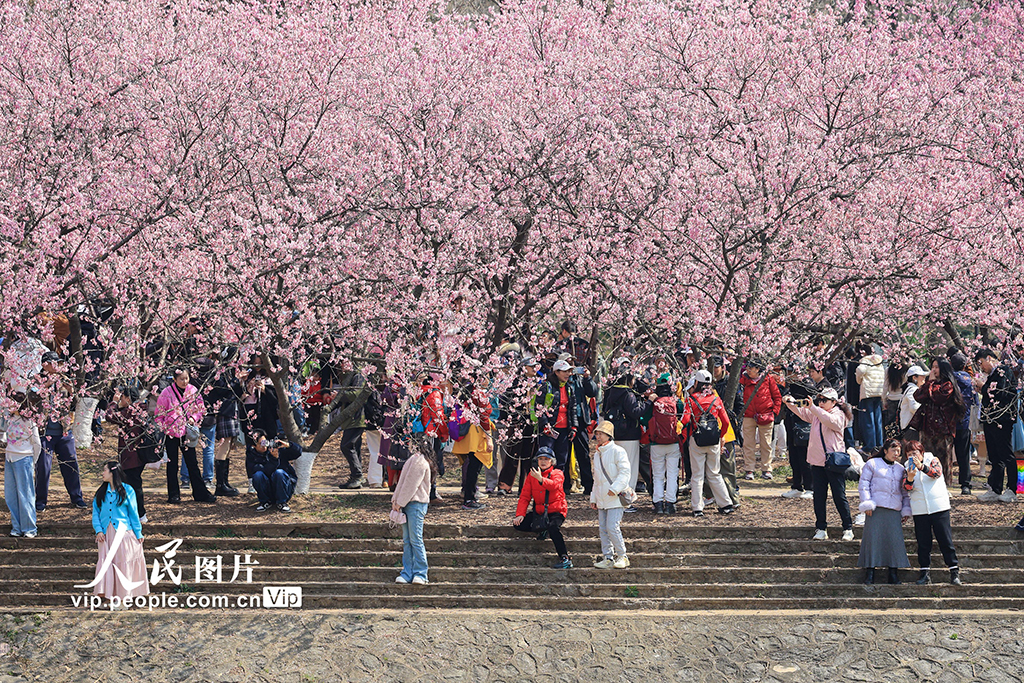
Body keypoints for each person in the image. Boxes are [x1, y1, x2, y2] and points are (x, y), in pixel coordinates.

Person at [782, 388, 854, 541]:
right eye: (819, 400)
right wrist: (790, 403)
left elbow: (831, 422)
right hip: (817, 462)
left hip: (833, 461)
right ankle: (821, 528)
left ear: (834, 402)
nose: (820, 403)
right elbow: (802, 412)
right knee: (819, 497)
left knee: (839, 496)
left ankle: (847, 527)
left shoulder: (838, 415)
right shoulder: (816, 413)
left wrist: (813, 408)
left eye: (824, 400)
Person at [902, 440, 961, 585]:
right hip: (920, 509)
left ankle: (954, 572)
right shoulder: (906, 467)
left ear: (921, 452)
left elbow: (936, 473)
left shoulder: (933, 460)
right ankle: (924, 573)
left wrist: (922, 467)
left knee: (945, 540)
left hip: (938, 507)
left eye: (915, 453)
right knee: (923, 543)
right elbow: (906, 488)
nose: (912, 456)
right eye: (909, 454)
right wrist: (909, 478)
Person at [35, 351, 88, 511]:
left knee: (71, 465)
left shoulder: (64, 380)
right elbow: (32, 397)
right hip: (45, 432)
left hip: (64, 431)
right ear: (45, 364)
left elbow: (77, 402)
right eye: (54, 362)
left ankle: (77, 498)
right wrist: (46, 385)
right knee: (43, 468)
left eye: (58, 363)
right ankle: (40, 501)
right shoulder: (37, 379)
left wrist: (71, 391)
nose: (57, 365)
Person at [91, 461, 149, 604]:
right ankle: (107, 595)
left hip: (123, 532)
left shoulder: (127, 490)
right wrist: (98, 530)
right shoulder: (100, 492)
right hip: (105, 534)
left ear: (112, 472)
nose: (102, 473)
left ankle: (123, 597)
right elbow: (95, 514)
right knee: (106, 563)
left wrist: (138, 532)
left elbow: (133, 514)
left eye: (104, 470)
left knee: (123, 563)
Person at [156, 367, 216, 503]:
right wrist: (163, 427)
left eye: (186, 378)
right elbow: (159, 413)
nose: (184, 381)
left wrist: (194, 418)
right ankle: (173, 495)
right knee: (172, 465)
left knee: (192, 463)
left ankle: (200, 493)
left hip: (187, 432)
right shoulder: (166, 393)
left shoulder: (193, 390)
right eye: (181, 379)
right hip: (171, 432)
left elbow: (200, 408)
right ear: (175, 379)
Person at [680, 370, 736, 517]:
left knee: (697, 475)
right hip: (714, 441)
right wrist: (721, 436)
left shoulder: (691, 400)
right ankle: (726, 504)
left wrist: (679, 426)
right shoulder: (716, 400)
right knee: (714, 473)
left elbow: (685, 420)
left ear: (696, 383)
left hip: (697, 441)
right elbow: (725, 422)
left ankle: (697, 508)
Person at [857, 440, 912, 585]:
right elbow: (864, 484)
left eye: (899, 451)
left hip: (894, 509)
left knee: (894, 541)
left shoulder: (901, 469)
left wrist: (905, 510)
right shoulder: (872, 464)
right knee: (872, 540)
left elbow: (905, 492)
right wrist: (867, 503)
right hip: (875, 509)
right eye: (893, 450)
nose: (896, 453)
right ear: (886, 450)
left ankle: (893, 573)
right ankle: (870, 573)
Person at [513, 449, 573, 569]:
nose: (543, 461)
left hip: (557, 510)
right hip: (540, 511)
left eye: (546, 459)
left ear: (552, 461)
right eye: (541, 459)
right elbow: (525, 496)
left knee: (553, 528)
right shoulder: (532, 475)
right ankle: (543, 528)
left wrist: (541, 479)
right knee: (519, 524)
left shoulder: (558, 473)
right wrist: (520, 514)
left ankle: (564, 557)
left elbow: (554, 486)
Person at [974, 348, 1018, 504]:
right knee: (994, 455)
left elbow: (1000, 392)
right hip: (991, 419)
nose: (981, 367)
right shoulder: (992, 375)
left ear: (989, 358)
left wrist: (983, 387)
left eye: (981, 363)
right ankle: (995, 487)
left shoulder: (1002, 370)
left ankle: (1012, 489)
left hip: (1002, 419)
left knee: (1006, 454)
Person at [913, 359, 965, 487]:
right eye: (932, 367)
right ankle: (927, 484)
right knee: (927, 457)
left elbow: (938, 397)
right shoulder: (931, 384)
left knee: (944, 460)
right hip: (927, 428)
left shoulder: (948, 385)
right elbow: (917, 395)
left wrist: (930, 383)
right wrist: (929, 382)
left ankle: (944, 486)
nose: (933, 370)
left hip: (943, 429)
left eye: (936, 367)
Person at [601, 368, 650, 502]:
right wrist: (648, 402)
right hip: (629, 435)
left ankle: (615, 497)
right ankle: (627, 499)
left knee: (617, 466)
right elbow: (635, 412)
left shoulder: (610, 392)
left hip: (615, 434)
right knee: (629, 468)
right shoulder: (627, 394)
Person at [391, 441, 433, 585]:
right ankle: (407, 572)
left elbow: (410, 484)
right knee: (408, 540)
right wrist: (396, 501)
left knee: (415, 540)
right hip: (408, 503)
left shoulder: (418, 461)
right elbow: (404, 483)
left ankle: (420, 573)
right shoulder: (414, 459)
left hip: (415, 504)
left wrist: (398, 502)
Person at [590, 421, 630, 569]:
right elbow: (597, 478)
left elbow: (625, 473)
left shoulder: (618, 451)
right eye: (597, 434)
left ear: (609, 435)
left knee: (612, 527)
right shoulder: (597, 454)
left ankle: (622, 556)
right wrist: (593, 497)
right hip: (602, 496)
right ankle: (608, 557)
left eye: (600, 434)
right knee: (603, 528)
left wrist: (615, 488)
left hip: (615, 497)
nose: (598, 436)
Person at [106, 386, 148, 523]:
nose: (121, 400)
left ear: (128, 398)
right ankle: (133, 513)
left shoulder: (130, 411)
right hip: (140, 455)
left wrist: (113, 402)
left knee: (133, 485)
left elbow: (110, 416)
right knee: (130, 484)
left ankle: (140, 514)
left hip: (131, 456)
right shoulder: (141, 408)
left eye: (122, 397)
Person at [450, 384, 494, 510]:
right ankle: (469, 499)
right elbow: (484, 417)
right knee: (474, 467)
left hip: (470, 433)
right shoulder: (477, 394)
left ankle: (469, 496)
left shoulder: (465, 391)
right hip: (477, 433)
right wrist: (489, 439)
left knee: (471, 466)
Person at [739, 361, 782, 480]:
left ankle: (766, 469)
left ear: (758, 369)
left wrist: (774, 411)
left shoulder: (767, 379)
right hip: (748, 415)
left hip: (766, 414)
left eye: (751, 368)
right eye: (747, 368)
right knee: (748, 443)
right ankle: (749, 469)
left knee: (766, 443)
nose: (748, 370)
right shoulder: (743, 380)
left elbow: (777, 396)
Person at [5, 400, 41, 538]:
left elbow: (37, 443)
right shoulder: (9, 419)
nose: (9, 406)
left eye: (12, 403)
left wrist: (32, 461)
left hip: (24, 458)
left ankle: (30, 528)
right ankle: (17, 527)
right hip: (10, 458)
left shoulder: (29, 422)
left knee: (25, 494)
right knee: (11, 495)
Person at [648, 374, 683, 514]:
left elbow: (645, 419)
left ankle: (658, 503)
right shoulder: (676, 402)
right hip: (673, 442)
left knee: (658, 475)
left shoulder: (654, 402)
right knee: (672, 474)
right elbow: (682, 414)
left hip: (656, 443)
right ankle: (670, 503)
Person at [949, 353, 977, 495]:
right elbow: (975, 400)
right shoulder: (970, 380)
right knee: (963, 455)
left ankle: (945, 482)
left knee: (947, 454)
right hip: (964, 422)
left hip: (949, 421)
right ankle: (965, 484)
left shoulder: (949, 379)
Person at [855, 346, 885, 452]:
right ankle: (879, 443)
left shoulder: (865, 361)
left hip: (867, 393)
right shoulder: (879, 362)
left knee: (868, 420)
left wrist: (859, 380)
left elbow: (860, 370)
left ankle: (870, 445)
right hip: (878, 392)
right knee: (877, 420)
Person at [900, 366, 928, 440]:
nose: (924, 378)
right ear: (914, 377)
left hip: (909, 429)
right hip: (911, 429)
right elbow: (914, 408)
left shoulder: (909, 388)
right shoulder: (913, 389)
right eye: (922, 376)